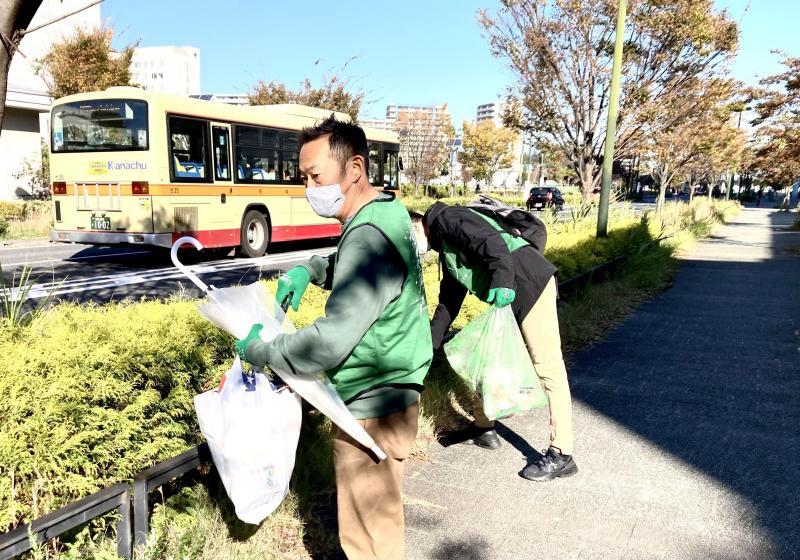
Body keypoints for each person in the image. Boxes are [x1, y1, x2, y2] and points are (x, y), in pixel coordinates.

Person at [235, 116, 432, 560]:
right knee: (381, 527)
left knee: (367, 542)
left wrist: (264, 351)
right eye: (304, 178)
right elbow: (360, 265)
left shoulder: (366, 232)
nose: (309, 188)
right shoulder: (387, 212)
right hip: (394, 392)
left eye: (316, 176)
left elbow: (328, 343)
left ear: (355, 168)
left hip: (369, 408)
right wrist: (313, 268)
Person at [410, 202, 577, 482]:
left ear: (416, 224)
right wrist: (428, 346)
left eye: (408, 238)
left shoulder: (447, 217)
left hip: (529, 284)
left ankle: (562, 453)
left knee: (548, 366)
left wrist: (501, 281)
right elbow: (448, 303)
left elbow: (492, 243)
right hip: (510, 292)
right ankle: (483, 428)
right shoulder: (446, 249)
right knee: (479, 359)